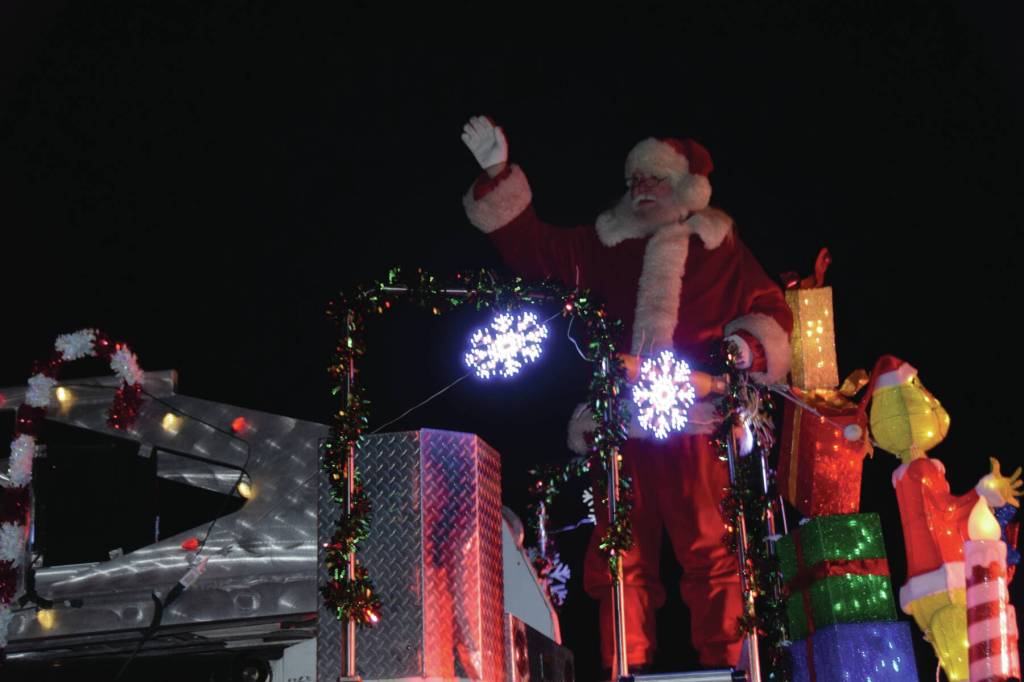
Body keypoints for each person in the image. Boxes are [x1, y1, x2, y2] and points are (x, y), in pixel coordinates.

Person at [460, 115, 793, 672]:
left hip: (697, 424)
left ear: (685, 188)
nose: (641, 189)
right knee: (619, 564)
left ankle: (733, 668)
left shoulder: (718, 244)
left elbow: (771, 312)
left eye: (654, 180)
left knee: (715, 557)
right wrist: (498, 172)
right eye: (634, 180)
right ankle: (624, 668)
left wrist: (742, 349)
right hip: (621, 429)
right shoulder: (603, 245)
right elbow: (534, 248)